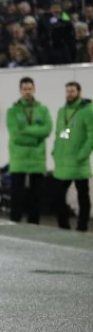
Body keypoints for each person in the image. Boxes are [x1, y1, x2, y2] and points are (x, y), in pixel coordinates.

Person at [6, 77, 53, 224]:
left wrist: (26, 130)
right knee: (17, 195)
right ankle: (14, 222)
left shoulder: (42, 109)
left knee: (36, 196)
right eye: (25, 89)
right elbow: (15, 135)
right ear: (20, 91)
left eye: (30, 89)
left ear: (34, 89)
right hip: (18, 159)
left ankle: (34, 224)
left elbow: (47, 130)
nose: (27, 92)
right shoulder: (13, 111)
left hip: (37, 159)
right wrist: (35, 138)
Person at [53, 81, 93, 232]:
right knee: (58, 196)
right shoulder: (62, 111)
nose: (69, 94)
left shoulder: (87, 111)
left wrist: (81, 155)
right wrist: (55, 151)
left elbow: (91, 137)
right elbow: (60, 133)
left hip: (79, 162)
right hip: (63, 162)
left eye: (72, 91)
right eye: (67, 91)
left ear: (79, 92)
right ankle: (63, 226)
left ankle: (82, 227)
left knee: (83, 196)